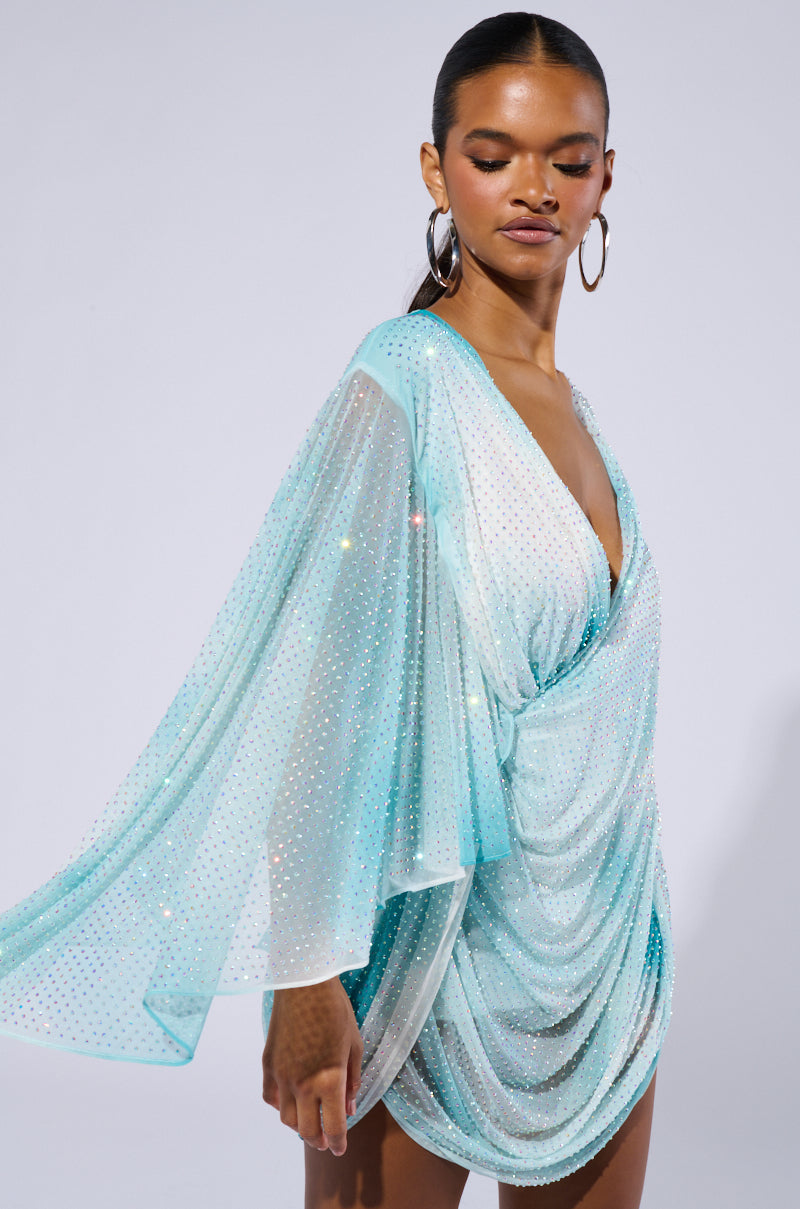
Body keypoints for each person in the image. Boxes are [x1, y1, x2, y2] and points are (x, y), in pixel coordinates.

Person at [0, 12, 673, 1209]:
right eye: (492, 155)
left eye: (567, 161)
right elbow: (319, 696)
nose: (533, 188)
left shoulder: (574, 408)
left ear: (605, 180)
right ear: (435, 170)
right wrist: (304, 977)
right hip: (429, 954)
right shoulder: (402, 383)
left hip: (602, 955)